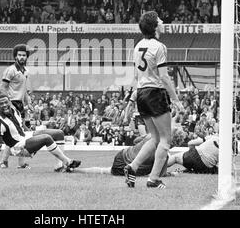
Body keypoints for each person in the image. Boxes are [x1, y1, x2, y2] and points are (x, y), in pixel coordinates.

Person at [124, 11, 184, 189]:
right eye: (159, 20)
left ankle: (132, 167)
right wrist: (176, 99)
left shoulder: (137, 47)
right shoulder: (159, 47)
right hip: (155, 93)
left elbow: (137, 76)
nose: (162, 21)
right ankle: (153, 179)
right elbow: (164, 77)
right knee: (166, 140)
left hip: (142, 93)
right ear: (154, 26)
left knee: (155, 138)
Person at [0, 95, 81, 173]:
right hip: (18, 147)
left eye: (6, 102)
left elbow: (20, 125)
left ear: (9, 102)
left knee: (59, 133)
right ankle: (68, 162)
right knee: (46, 138)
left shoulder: (14, 110)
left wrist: (29, 130)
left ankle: (59, 166)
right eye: (1, 104)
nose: (4, 105)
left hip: (26, 136)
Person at [74, 134, 168, 177]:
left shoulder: (151, 135)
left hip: (122, 155)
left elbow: (135, 141)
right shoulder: (164, 154)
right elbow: (159, 174)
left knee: (105, 170)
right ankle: (75, 170)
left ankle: (74, 170)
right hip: (133, 168)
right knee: (105, 171)